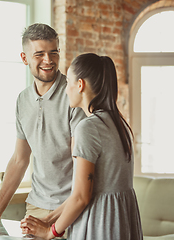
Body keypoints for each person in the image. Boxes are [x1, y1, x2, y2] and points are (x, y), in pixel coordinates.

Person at [20, 53, 143, 239]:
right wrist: (49, 219)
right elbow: (84, 191)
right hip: (120, 223)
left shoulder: (88, 128)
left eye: (68, 82)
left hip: (100, 224)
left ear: (80, 85)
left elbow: (81, 197)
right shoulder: (119, 124)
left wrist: (49, 232)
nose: (66, 90)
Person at [0, 23, 85, 223]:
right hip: (36, 206)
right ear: (24, 58)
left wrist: (54, 220)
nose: (48, 60)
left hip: (72, 208)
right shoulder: (22, 100)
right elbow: (20, 159)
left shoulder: (74, 96)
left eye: (53, 53)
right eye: (39, 54)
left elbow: (81, 162)